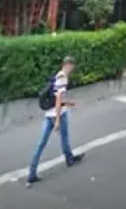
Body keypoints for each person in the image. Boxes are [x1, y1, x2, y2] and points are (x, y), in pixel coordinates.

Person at [27, 56, 85, 186]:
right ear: (68, 65)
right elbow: (58, 98)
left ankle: (32, 173)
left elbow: (56, 98)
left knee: (41, 143)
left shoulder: (57, 76)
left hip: (49, 114)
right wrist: (58, 119)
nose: (72, 70)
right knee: (64, 138)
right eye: (72, 67)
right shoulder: (63, 78)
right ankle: (69, 159)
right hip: (58, 114)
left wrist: (68, 103)